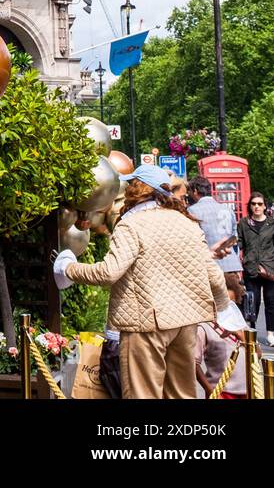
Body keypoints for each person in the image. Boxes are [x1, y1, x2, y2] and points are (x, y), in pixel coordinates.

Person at [55, 163, 230, 399]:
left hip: (145, 323)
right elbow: (214, 275)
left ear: (139, 188)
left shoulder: (131, 223)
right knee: (181, 394)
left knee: (142, 394)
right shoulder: (186, 222)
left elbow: (108, 272)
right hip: (186, 323)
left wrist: (68, 268)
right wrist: (221, 309)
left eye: (130, 184)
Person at [187, 176, 244, 303]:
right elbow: (234, 237)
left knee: (214, 309)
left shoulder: (192, 210)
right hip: (231, 264)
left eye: (190, 191)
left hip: (210, 266)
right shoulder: (227, 209)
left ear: (195, 191)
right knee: (232, 308)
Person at [237, 191, 274, 345]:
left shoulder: (272, 224)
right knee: (252, 302)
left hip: (270, 268)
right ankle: (252, 332)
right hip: (251, 269)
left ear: (265, 206)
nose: (257, 207)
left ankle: (270, 334)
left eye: (260, 204)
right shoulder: (244, 223)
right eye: (253, 204)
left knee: (271, 302)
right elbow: (239, 243)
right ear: (250, 206)